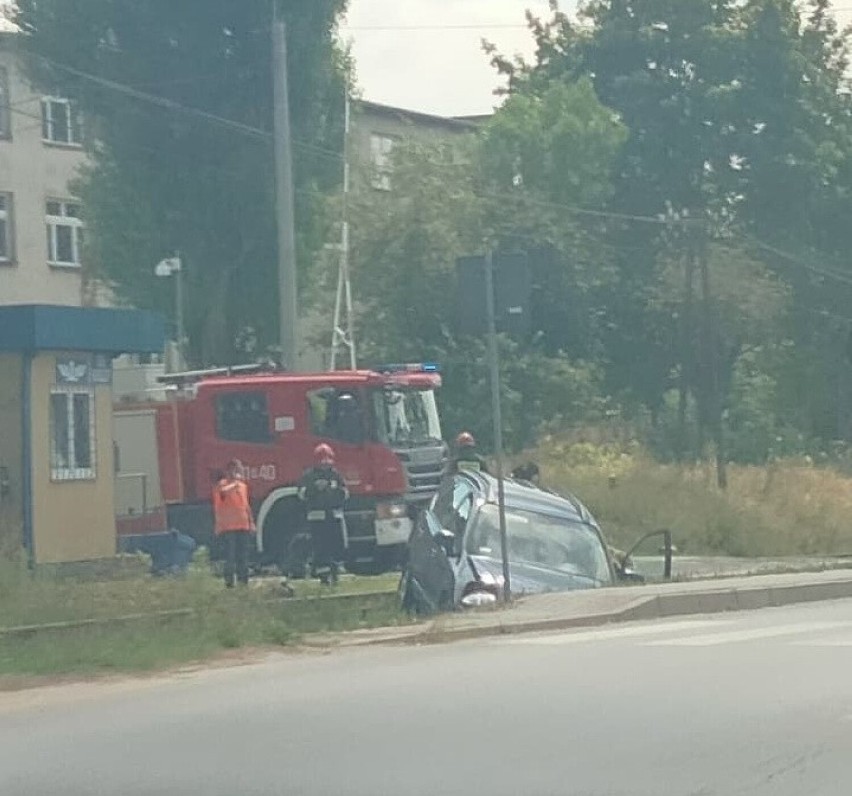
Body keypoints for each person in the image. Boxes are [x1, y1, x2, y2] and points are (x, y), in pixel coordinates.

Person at [298, 443, 349, 585]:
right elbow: (301, 494)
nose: (325, 462)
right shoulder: (309, 476)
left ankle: (335, 573)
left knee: (335, 547)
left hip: (334, 516)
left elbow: (345, 493)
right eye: (322, 459)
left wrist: (335, 491)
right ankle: (323, 577)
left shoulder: (336, 475)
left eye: (328, 459)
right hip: (317, 518)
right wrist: (315, 488)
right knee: (320, 548)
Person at [212, 459, 255, 588]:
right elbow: (223, 493)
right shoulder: (222, 485)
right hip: (228, 527)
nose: (238, 472)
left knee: (243, 556)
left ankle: (243, 582)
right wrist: (235, 484)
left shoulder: (242, 486)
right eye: (236, 469)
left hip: (242, 524)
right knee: (230, 556)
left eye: (239, 469)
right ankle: (229, 583)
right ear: (229, 471)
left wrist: (251, 522)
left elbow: (246, 505)